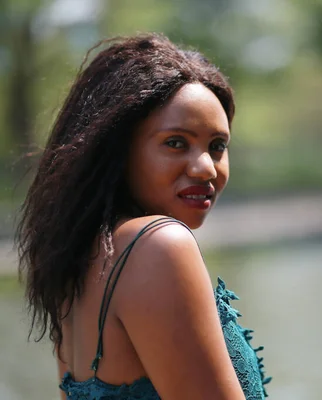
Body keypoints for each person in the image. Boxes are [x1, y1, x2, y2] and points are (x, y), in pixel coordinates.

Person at [15, 33, 270, 400]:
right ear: (117, 150)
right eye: (176, 142)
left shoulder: (72, 265)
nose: (205, 169)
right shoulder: (159, 244)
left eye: (217, 147)